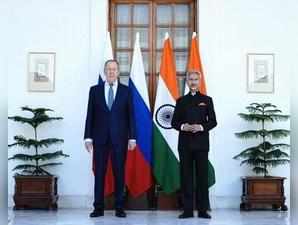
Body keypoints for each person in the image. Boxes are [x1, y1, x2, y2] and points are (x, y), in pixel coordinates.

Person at [84, 59, 136, 218]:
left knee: (119, 173)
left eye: (114, 69)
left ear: (118, 72)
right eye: (108, 69)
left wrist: (132, 138)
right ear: (105, 72)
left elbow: (131, 116)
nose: (111, 72)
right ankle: (98, 207)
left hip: (120, 139)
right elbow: (90, 115)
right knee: (99, 173)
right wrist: (88, 137)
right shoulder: (94, 91)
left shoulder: (126, 91)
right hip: (99, 139)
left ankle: (119, 207)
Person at [171, 71, 217, 219]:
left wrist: (201, 127)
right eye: (190, 79)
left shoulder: (207, 100)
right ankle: (187, 210)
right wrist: (184, 126)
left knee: (202, 177)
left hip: (202, 144)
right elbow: (174, 122)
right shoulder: (180, 101)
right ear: (187, 81)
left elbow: (213, 121)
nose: (193, 82)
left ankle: (203, 210)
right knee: (186, 177)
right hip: (184, 144)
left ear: (200, 81)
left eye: (195, 79)